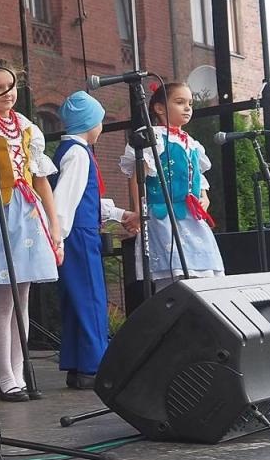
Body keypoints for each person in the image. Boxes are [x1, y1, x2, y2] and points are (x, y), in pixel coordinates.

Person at [0, 61, 63, 402]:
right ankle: (6, 375)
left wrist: (54, 227)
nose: (7, 95)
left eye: (10, 88)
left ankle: (20, 370)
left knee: (22, 297)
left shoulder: (27, 128)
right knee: (4, 297)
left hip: (27, 212)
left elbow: (41, 180)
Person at [51, 90, 136, 389]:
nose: (100, 127)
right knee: (90, 297)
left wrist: (122, 214)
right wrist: (57, 237)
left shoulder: (71, 151)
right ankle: (93, 365)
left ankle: (78, 364)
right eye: (99, 121)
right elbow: (65, 199)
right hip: (77, 235)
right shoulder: (77, 153)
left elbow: (86, 199)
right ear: (90, 124)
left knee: (77, 298)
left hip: (76, 231)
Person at [119, 79, 225, 288]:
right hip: (164, 215)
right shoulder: (153, 137)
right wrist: (140, 210)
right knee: (173, 276)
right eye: (180, 102)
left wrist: (204, 197)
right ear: (159, 108)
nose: (187, 108)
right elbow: (138, 175)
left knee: (202, 275)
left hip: (191, 216)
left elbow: (197, 176)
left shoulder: (191, 142)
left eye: (190, 103)